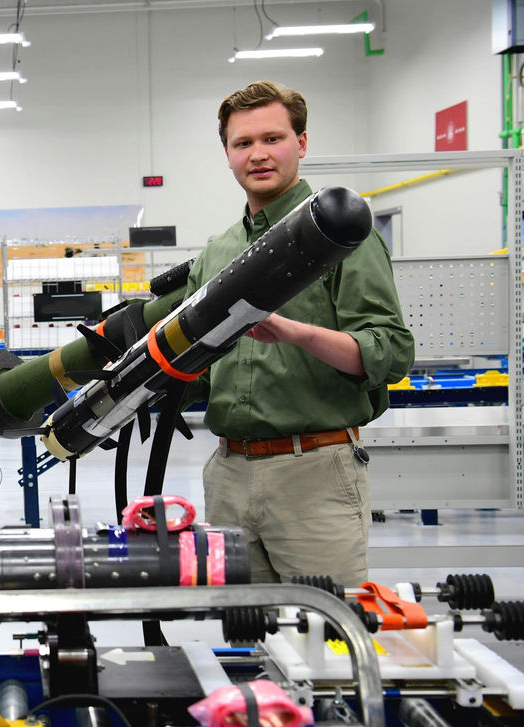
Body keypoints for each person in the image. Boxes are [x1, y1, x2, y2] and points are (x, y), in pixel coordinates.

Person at [185, 80, 414, 587]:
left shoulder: (340, 236)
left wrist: (296, 334)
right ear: (227, 154)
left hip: (313, 471)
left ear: (302, 144)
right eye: (243, 143)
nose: (258, 154)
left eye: (273, 138)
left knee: (327, 642)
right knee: (248, 641)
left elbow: (391, 353)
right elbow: (201, 373)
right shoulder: (216, 253)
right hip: (229, 473)